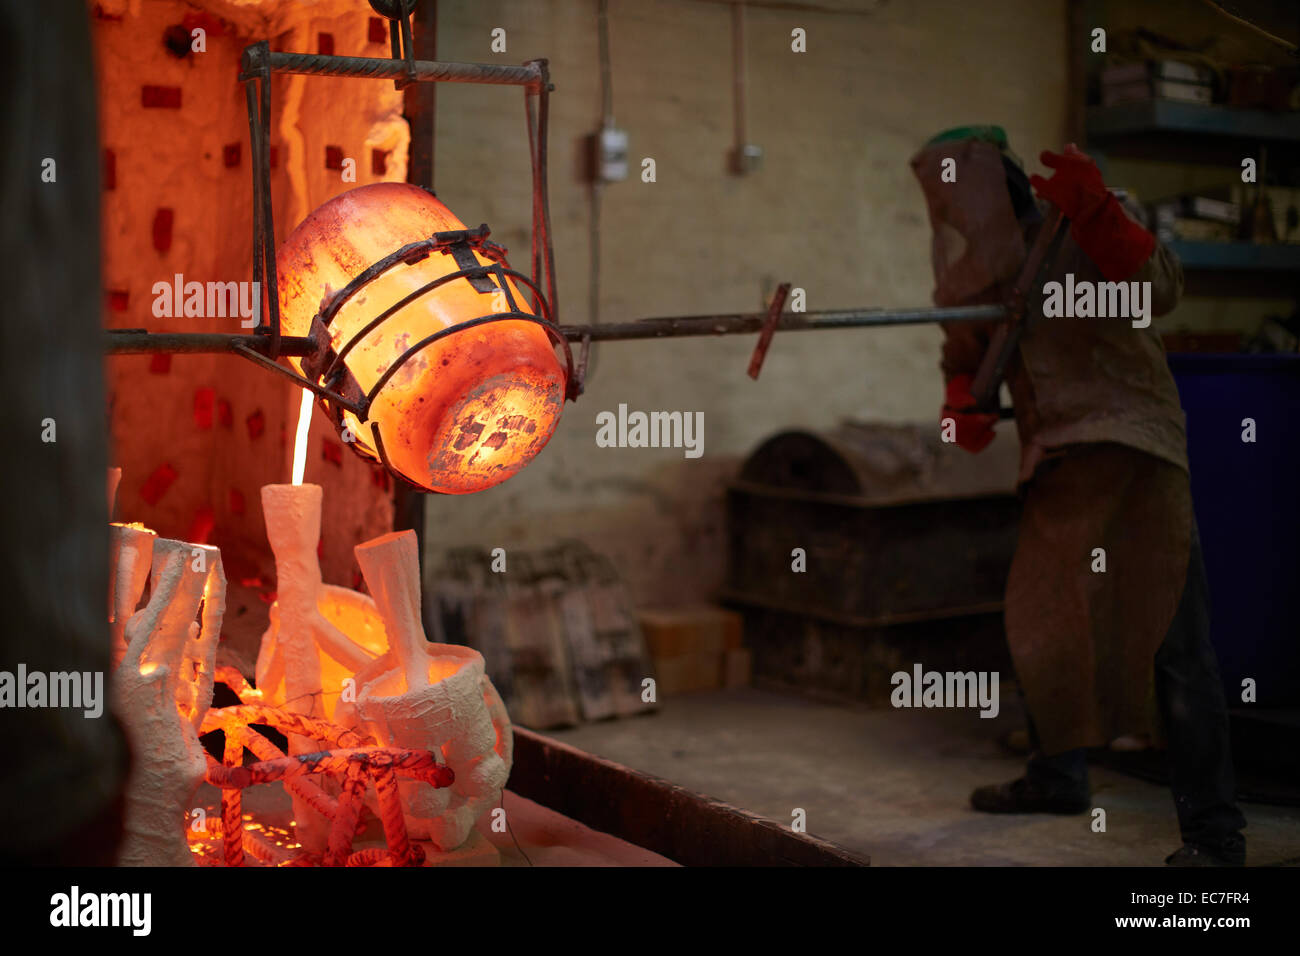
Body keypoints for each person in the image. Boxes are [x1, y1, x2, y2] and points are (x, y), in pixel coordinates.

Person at [910, 126, 1246, 866]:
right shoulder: (973, 282)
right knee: (1044, 634)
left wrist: (1101, 216)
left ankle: (1215, 837)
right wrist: (959, 403)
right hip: (1054, 464)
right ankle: (1057, 776)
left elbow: (1160, 289)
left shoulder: (1085, 221)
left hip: (1134, 452)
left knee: (1174, 646)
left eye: (962, 192)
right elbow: (961, 366)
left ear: (998, 183)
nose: (956, 211)